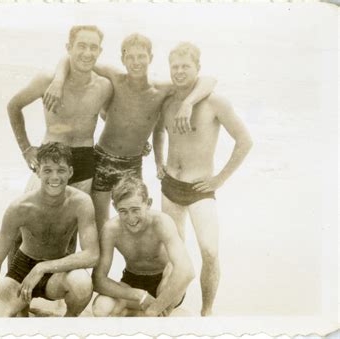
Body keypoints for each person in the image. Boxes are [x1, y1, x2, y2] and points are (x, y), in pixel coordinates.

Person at [45, 33, 216, 232]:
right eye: (130, 57)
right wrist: (58, 81)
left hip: (132, 164)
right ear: (122, 59)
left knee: (136, 222)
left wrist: (188, 103)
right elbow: (69, 58)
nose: (136, 62)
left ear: (150, 58)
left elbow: (208, 80)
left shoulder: (161, 90)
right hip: (102, 160)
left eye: (141, 56)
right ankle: (101, 263)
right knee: (102, 224)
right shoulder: (115, 78)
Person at [153, 42, 253, 316]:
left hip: (200, 189)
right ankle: (170, 306)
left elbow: (245, 141)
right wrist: (158, 161)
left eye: (186, 66)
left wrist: (220, 179)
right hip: (170, 186)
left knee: (209, 252)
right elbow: (158, 132)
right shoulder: (168, 101)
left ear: (198, 68)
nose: (180, 71)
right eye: (175, 67)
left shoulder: (215, 102)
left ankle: (206, 312)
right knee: (173, 254)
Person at [6, 25, 113, 261]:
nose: (87, 52)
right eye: (81, 46)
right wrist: (26, 149)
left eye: (93, 47)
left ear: (100, 51)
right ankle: (11, 286)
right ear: (68, 48)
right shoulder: (47, 80)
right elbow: (14, 106)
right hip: (50, 155)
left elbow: (109, 117)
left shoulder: (104, 86)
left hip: (84, 160)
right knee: (25, 221)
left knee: (71, 228)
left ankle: (59, 292)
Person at [0, 142, 99, 317]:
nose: (55, 177)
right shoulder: (20, 207)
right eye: (48, 170)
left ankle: (66, 323)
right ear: (38, 172)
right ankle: (22, 309)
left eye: (61, 170)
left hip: (57, 272)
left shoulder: (81, 203)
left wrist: (42, 268)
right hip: (21, 272)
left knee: (82, 284)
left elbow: (92, 255)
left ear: (71, 172)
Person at [91, 176, 194, 317]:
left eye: (135, 209)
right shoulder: (111, 229)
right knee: (101, 308)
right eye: (123, 211)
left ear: (148, 203)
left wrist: (155, 308)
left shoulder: (161, 222)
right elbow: (98, 280)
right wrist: (140, 295)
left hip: (163, 281)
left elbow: (186, 271)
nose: (130, 218)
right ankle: (143, 314)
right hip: (132, 281)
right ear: (115, 207)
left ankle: (145, 314)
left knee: (170, 279)